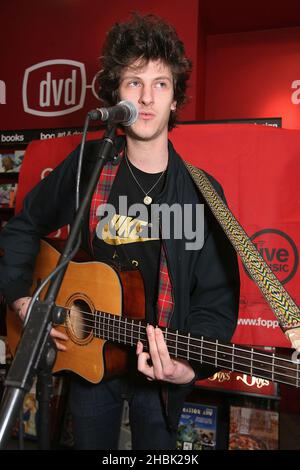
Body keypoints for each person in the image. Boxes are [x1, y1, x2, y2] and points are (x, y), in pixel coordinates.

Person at [0, 14, 240, 450]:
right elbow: (23, 225)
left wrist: (188, 367)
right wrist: (22, 298)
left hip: (161, 381)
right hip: (88, 361)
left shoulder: (204, 193)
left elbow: (217, 300)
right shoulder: (90, 165)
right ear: (116, 92)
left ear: (175, 98)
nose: (147, 97)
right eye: (134, 82)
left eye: (160, 83)